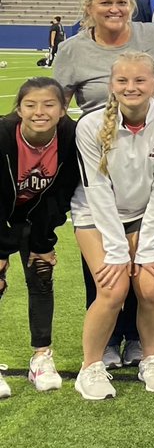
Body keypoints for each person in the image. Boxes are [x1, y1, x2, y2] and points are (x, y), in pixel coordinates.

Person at [53, 0, 154, 368]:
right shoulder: (73, 50)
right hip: (98, 164)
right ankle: (105, 345)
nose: (114, 9)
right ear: (89, 8)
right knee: (108, 273)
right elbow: (57, 105)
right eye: (105, 3)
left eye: (121, 2)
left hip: (148, 162)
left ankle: (141, 343)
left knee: (150, 274)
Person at [71, 56, 154, 400]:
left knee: (152, 288)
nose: (131, 88)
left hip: (146, 214)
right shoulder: (90, 125)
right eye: (122, 81)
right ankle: (89, 368)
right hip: (96, 214)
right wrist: (119, 250)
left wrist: (148, 247)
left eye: (140, 81)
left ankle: (150, 359)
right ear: (111, 85)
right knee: (113, 288)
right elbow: (96, 191)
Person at [0, 79, 79, 399]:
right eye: (30, 105)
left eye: (49, 104)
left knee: (42, 276)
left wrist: (43, 243)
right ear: (19, 109)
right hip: (1, 217)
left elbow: (61, 194)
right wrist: (2, 250)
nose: (39, 112)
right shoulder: (3, 135)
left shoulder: (70, 137)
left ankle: (41, 358)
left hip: (34, 217)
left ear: (62, 109)